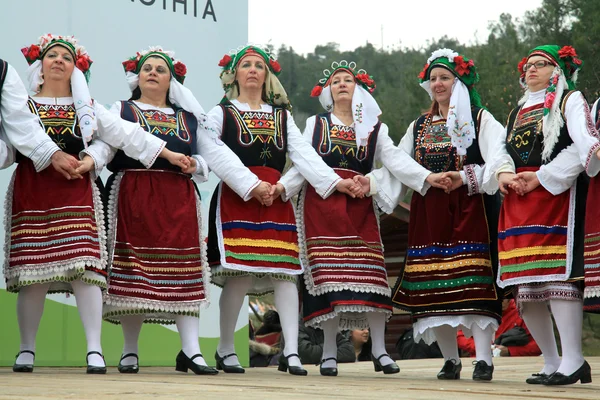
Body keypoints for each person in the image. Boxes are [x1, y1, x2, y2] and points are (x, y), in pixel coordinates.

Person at [7, 34, 188, 374]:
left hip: (76, 189)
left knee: (86, 271)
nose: (59, 60)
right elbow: (7, 148)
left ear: (76, 68)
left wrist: (93, 158)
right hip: (33, 191)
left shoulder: (87, 107)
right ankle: (26, 349)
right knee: (34, 273)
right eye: (52, 56)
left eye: (66, 57)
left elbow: (122, 136)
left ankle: (94, 349)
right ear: (40, 66)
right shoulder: (23, 108)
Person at [277, 60, 450, 377]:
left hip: (359, 204)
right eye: (336, 81)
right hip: (323, 204)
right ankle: (329, 352)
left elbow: (396, 160)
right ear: (328, 91)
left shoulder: (374, 129)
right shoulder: (315, 124)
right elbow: (304, 163)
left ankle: (381, 351)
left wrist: (426, 177)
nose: (342, 83)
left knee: (373, 278)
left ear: (360, 90)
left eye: (348, 80)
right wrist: (280, 189)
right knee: (328, 282)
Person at [102, 46, 270, 375]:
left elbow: (217, 155)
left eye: (160, 69)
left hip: (178, 201)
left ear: (171, 79)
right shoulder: (120, 110)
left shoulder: (188, 119)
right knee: (135, 272)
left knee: (184, 275)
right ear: (136, 77)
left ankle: (192, 351)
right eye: (146, 68)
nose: (152, 72)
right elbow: (106, 148)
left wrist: (247, 183)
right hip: (133, 196)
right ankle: (130, 350)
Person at [208, 45, 360, 376]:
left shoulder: (282, 116)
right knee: (239, 272)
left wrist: (282, 187)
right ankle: (225, 349)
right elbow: (212, 149)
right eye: (245, 65)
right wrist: (250, 184)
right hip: (237, 196)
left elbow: (304, 155)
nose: (252, 70)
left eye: (258, 65)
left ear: (266, 75)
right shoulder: (221, 113)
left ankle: (291, 351)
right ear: (234, 73)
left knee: (286, 273)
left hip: (276, 199)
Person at [390, 49, 506, 382]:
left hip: (470, 209)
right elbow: (399, 164)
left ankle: (483, 359)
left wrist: (463, 177)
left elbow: (499, 157)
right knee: (434, 286)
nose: (438, 84)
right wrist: (369, 183)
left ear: (460, 83)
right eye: (434, 79)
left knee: (473, 284)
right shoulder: (419, 125)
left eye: (445, 78)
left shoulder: (481, 118)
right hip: (430, 212)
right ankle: (450, 359)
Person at [485, 45, 596, 385]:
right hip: (518, 198)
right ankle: (551, 361)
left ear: (557, 71)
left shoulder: (569, 100)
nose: (530, 70)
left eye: (540, 64)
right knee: (526, 286)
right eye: (528, 65)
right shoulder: (516, 111)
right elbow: (500, 149)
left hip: (553, 195)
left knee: (555, 278)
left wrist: (542, 177)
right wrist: (504, 172)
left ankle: (574, 360)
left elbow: (583, 144)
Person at [457, 300, 541, 357]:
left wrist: (510, 351)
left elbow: (538, 346)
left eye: (504, 297)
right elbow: (459, 336)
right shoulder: (476, 310)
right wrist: (482, 347)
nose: (501, 301)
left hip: (512, 364)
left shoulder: (521, 313)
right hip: (477, 361)